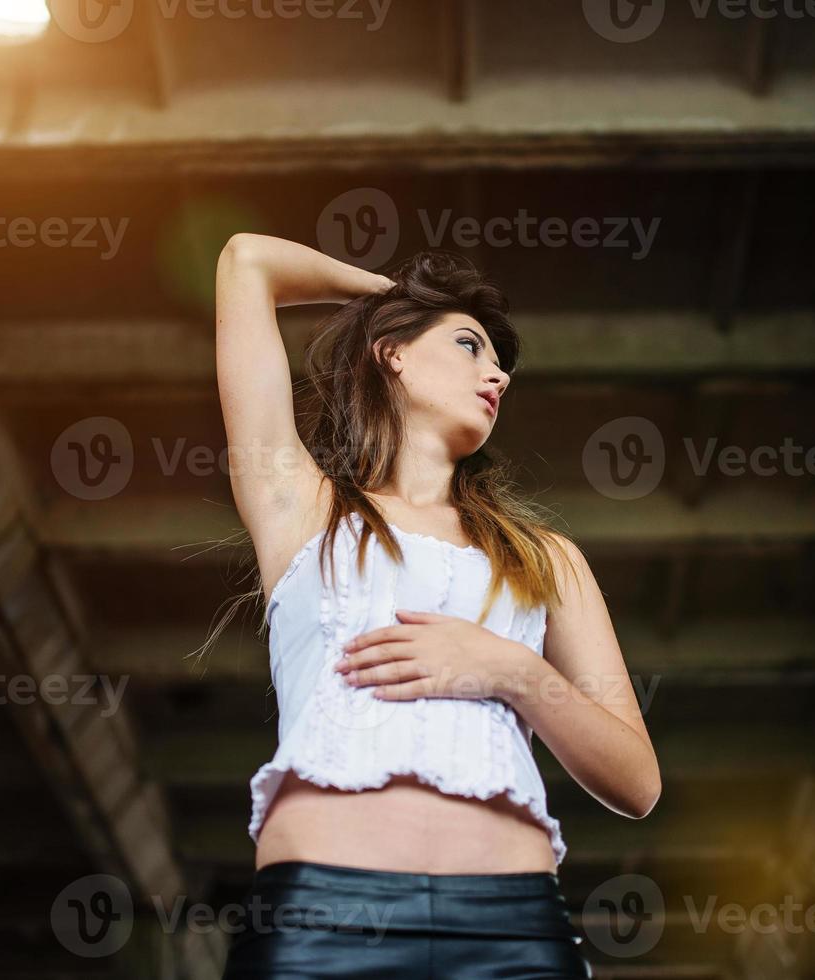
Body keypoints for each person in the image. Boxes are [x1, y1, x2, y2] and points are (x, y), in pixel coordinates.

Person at [213, 233, 661, 978]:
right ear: (393, 351)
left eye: (501, 364)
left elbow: (637, 782)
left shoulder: (545, 559)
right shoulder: (299, 507)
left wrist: (510, 668)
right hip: (320, 917)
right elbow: (246, 261)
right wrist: (390, 294)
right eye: (470, 346)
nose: (498, 377)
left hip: (509, 929)